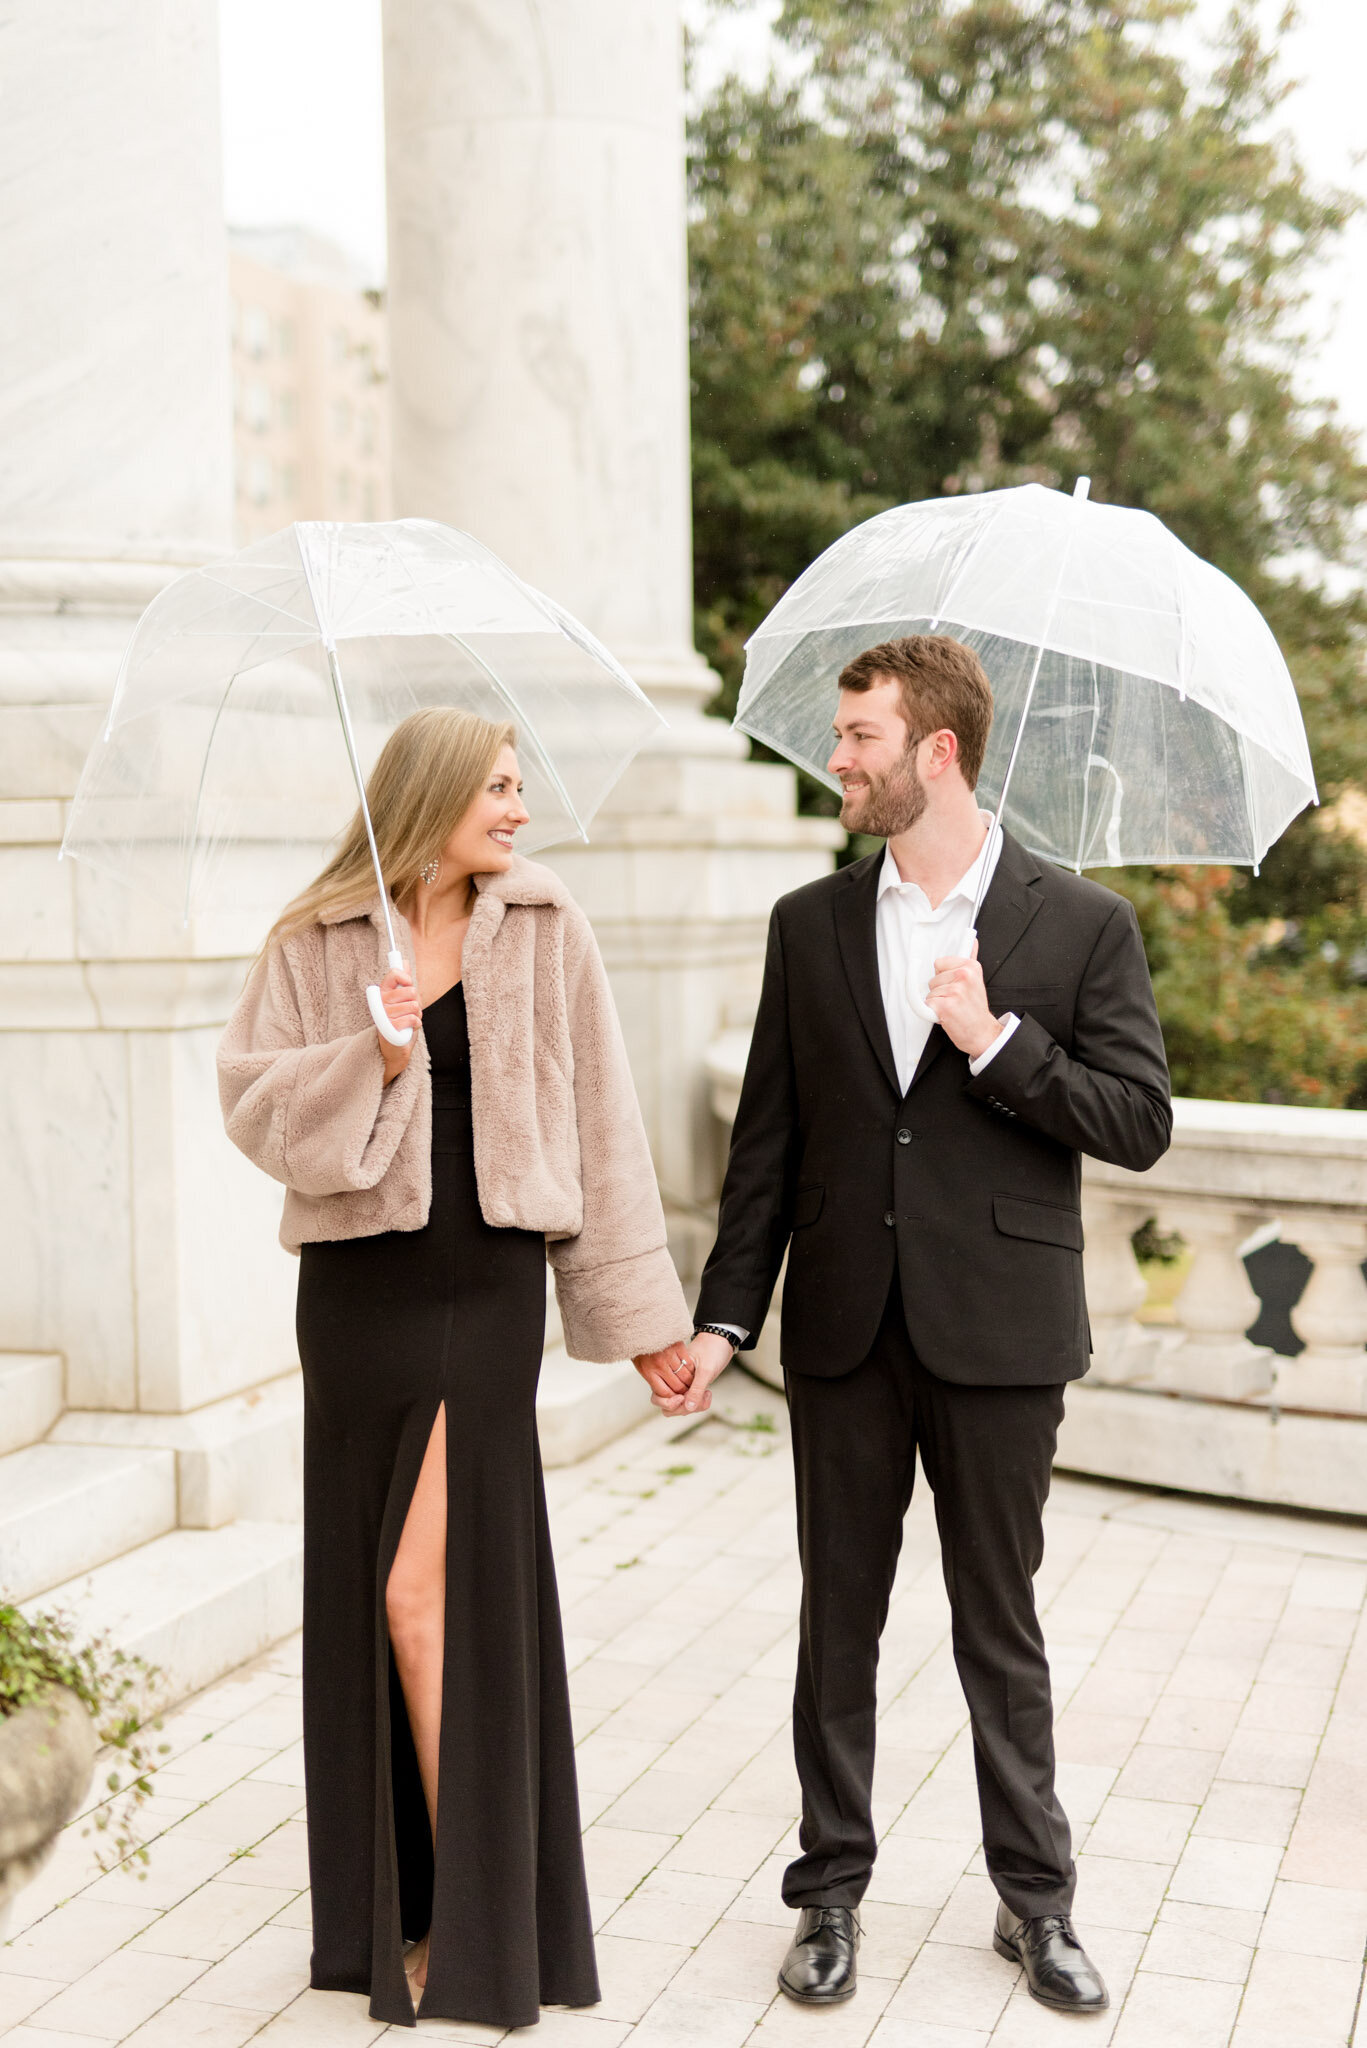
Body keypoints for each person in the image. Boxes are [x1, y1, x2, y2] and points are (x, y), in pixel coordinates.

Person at [656, 636, 1172, 2015]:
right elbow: (765, 1151)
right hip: (838, 1331)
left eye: (860, 739)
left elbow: (1139, 1122)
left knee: (997, 1625)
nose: (838, 760)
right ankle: (829, 1891)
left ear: (936, 752)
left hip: (1000, 1332)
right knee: (840, 1618)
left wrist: (1001, 1047)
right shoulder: (808, 925)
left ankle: (1036, 1901)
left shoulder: (1080, 928)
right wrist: (721, 1323)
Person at [218, 708, 693, 2031]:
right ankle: (408, 1910)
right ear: (429, 797)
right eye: (498, 787)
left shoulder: (545, 926)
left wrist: (641, 1314)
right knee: (377, 1595)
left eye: (520, 786)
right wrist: (365, 1052)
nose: (521, 809)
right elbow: (254, 1107)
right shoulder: (314, 939)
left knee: (431, 1595)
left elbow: (604, 1124)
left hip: (485, 1293)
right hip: (358, 1296)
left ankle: (481, 1922)